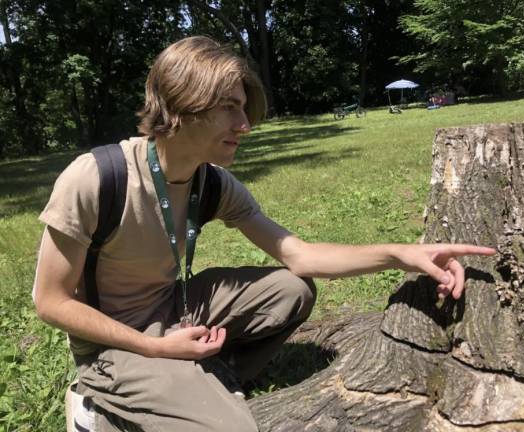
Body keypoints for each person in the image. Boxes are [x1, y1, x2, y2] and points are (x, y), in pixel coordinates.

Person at [33, 36, 496, 432]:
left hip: (173, 306)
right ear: (181, 107)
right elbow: (51, 301)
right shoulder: (98, 178)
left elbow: (300, 256)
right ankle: (97, 406)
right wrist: (154, 346)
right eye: (229, 109)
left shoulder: (210, 182)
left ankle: (205, 378)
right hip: (113, 343)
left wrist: (404, 253)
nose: (245, 125)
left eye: (244, 108)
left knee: (291, 290)